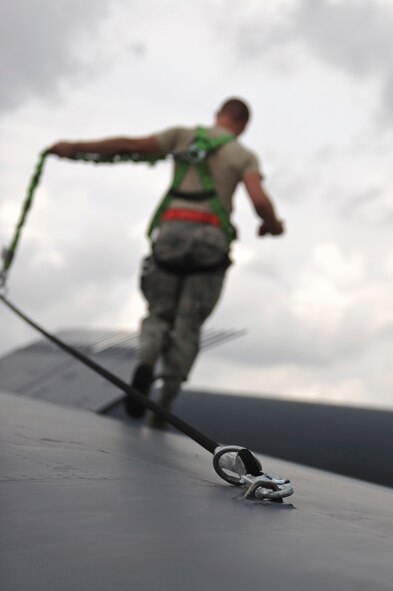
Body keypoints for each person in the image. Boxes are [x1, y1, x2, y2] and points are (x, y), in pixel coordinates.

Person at [47, 97, 284, 428]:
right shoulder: (242, 155)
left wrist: (74, 146)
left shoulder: (181, 137)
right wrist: (273, 224)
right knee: (188, 323)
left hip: (171, 233)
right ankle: (164, 404)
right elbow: (259, 200)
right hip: (210, 242)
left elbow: (130, 145)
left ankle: (145, 360)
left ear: (218, 116)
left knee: (158, 313)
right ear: (243, 126)